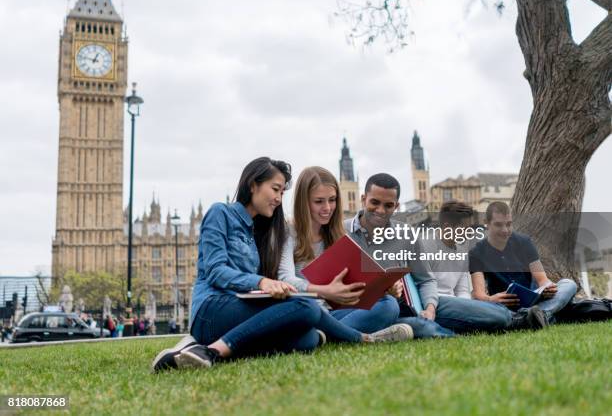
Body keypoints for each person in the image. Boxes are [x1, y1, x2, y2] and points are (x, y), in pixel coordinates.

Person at [152, 158, 324, 372]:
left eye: (282, 193)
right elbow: (216, 271)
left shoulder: (256, 232)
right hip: (211, 308)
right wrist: (261, 282)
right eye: (276, 189)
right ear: (253, 185)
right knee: (306, 308)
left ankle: (194, 349)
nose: (279, 199)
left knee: (307, 338)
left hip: (236, 307)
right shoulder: (220, 213)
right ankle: (211, 351)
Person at [278, 166, 413, 343]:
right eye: (319, 201)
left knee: (388, 305)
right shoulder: (288, 232)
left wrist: (382, 288)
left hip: (335, 314)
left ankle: (329, 335)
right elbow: (285, 278)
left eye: (332, 200)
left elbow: (353, 283)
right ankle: (362, 337)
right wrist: (325, 291)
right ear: (304, 202)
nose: (327, 208)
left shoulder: (338, 233)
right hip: (307, 311)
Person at [343, 173, 454, 339]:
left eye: (388, 205)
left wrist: (430, 309)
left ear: (396, 206)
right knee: (422, 327)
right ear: (363, 199)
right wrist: (382, 291)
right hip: (370, 310)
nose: (380, 211)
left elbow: (426, 279)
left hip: (411, 305)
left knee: (495, 316)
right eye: (374, 202)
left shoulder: (407, 233)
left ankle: (507, 318)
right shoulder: (341, 231)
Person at [430, 200, 547, 332]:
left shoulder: (462, 252)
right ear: (447, 227)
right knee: (499, 313)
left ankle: (526, 317)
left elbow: (462, 291)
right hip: (437, 303)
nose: (470, 232)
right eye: (465, 228)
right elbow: (424, 286)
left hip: (457, 305)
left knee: (492, 310)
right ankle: (524, 319)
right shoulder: (426, 248)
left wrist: (469, 307)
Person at [469, 201, 577, 325]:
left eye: (509, 224)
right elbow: (478, 294)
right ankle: (542, 315)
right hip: (503, 307)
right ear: (486, 224)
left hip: (533, 302)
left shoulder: (524, 242)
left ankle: (538, 315)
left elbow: (542, 279)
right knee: (489, 310)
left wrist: (547, 287)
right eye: (498, 225)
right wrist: (491, 299)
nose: (505, 230)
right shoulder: (476, 253)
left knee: (568, 284)